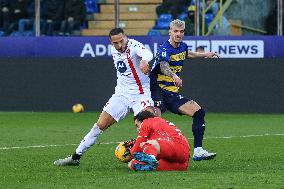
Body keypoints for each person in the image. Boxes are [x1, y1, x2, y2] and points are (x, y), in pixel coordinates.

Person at [54, 28, 154, 166]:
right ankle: (75, 157)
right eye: (115, 43)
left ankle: (153, 158)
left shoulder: (134, 45)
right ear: (111, 43)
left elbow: (148, 53)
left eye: (121, 41)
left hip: (141, 94)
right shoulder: (114, 50)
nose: (119, 45)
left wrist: (144, 61)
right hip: (121, 94)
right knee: (99, 125)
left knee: (148, 126)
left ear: (126, 38)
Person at [149, 19, 217, 161]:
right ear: (170, 32)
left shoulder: (182, 46)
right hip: (157, 90)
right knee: (156, 120)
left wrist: (205, 54)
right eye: (175, 31)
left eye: (181, 31)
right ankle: (151, 154)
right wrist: (174, 76)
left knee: (199, 112)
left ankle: (198, 151)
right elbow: (163, 66)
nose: (178, 34)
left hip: (172, 94)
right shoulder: (164, 48)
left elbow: (188, 53)